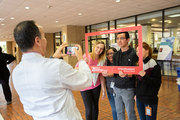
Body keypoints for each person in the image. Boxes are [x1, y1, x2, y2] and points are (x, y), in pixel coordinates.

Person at [12, 20, 93, 120]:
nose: (45, 40)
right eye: (44, 36)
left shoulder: (16, 72)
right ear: (37, 41)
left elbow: (41, 73)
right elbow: (86, 80)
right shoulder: (57, 66)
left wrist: (53, 58)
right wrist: (81, 60)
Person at [77, 41, 106, 120]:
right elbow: (76, 68)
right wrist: (83, 63)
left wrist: (103, 89)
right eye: (97, 47)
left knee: (95, 107)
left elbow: (101, 75)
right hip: (85, 86)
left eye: (101, 49)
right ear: (94, 47)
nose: (99, 50)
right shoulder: (87, 56)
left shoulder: (102, 60)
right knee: (89, 109)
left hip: (96, 85)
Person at [113, 32, 138, 120]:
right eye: (117, 38)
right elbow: (114, 71)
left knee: (130, 112)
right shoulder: (115, 54)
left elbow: (137, 72)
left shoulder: (134, 53)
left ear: (128, 40)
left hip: (128, 88)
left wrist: (127, 74)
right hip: (116, 87)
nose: (119, 41)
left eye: (122, 38)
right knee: (119, 112)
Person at [135, 42, 161, 120]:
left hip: (149, 99)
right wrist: (136, 94)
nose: (138, 52)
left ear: (147, 50)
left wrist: (144, 76)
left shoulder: (153, 64)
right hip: (139, 98)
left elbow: (156, 83)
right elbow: (138, 82)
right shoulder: (139, 64)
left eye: (140, 50)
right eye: (136, 51)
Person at [102, 47, 117, 120]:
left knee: (119, 109)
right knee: (114, 109)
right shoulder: (106, 64)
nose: (110, 55)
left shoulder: (119, 63)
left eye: (111, 53)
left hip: (119, 90)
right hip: (110, 90)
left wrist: (112, 74)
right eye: (108, 54)